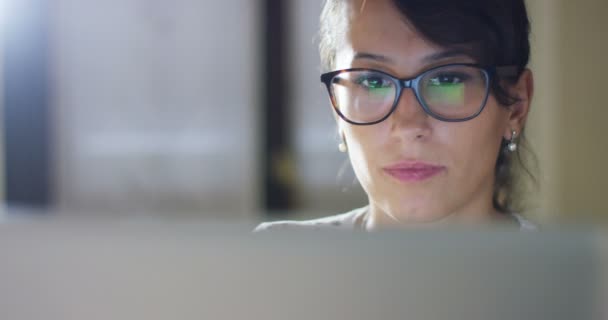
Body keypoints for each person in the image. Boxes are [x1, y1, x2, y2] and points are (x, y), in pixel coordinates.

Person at [256, 0, 537, 232]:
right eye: (372, 82)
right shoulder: (270, 266)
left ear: (516, 106)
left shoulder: (572, 287)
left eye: (447, 80)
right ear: (336, 108)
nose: (408, 126)